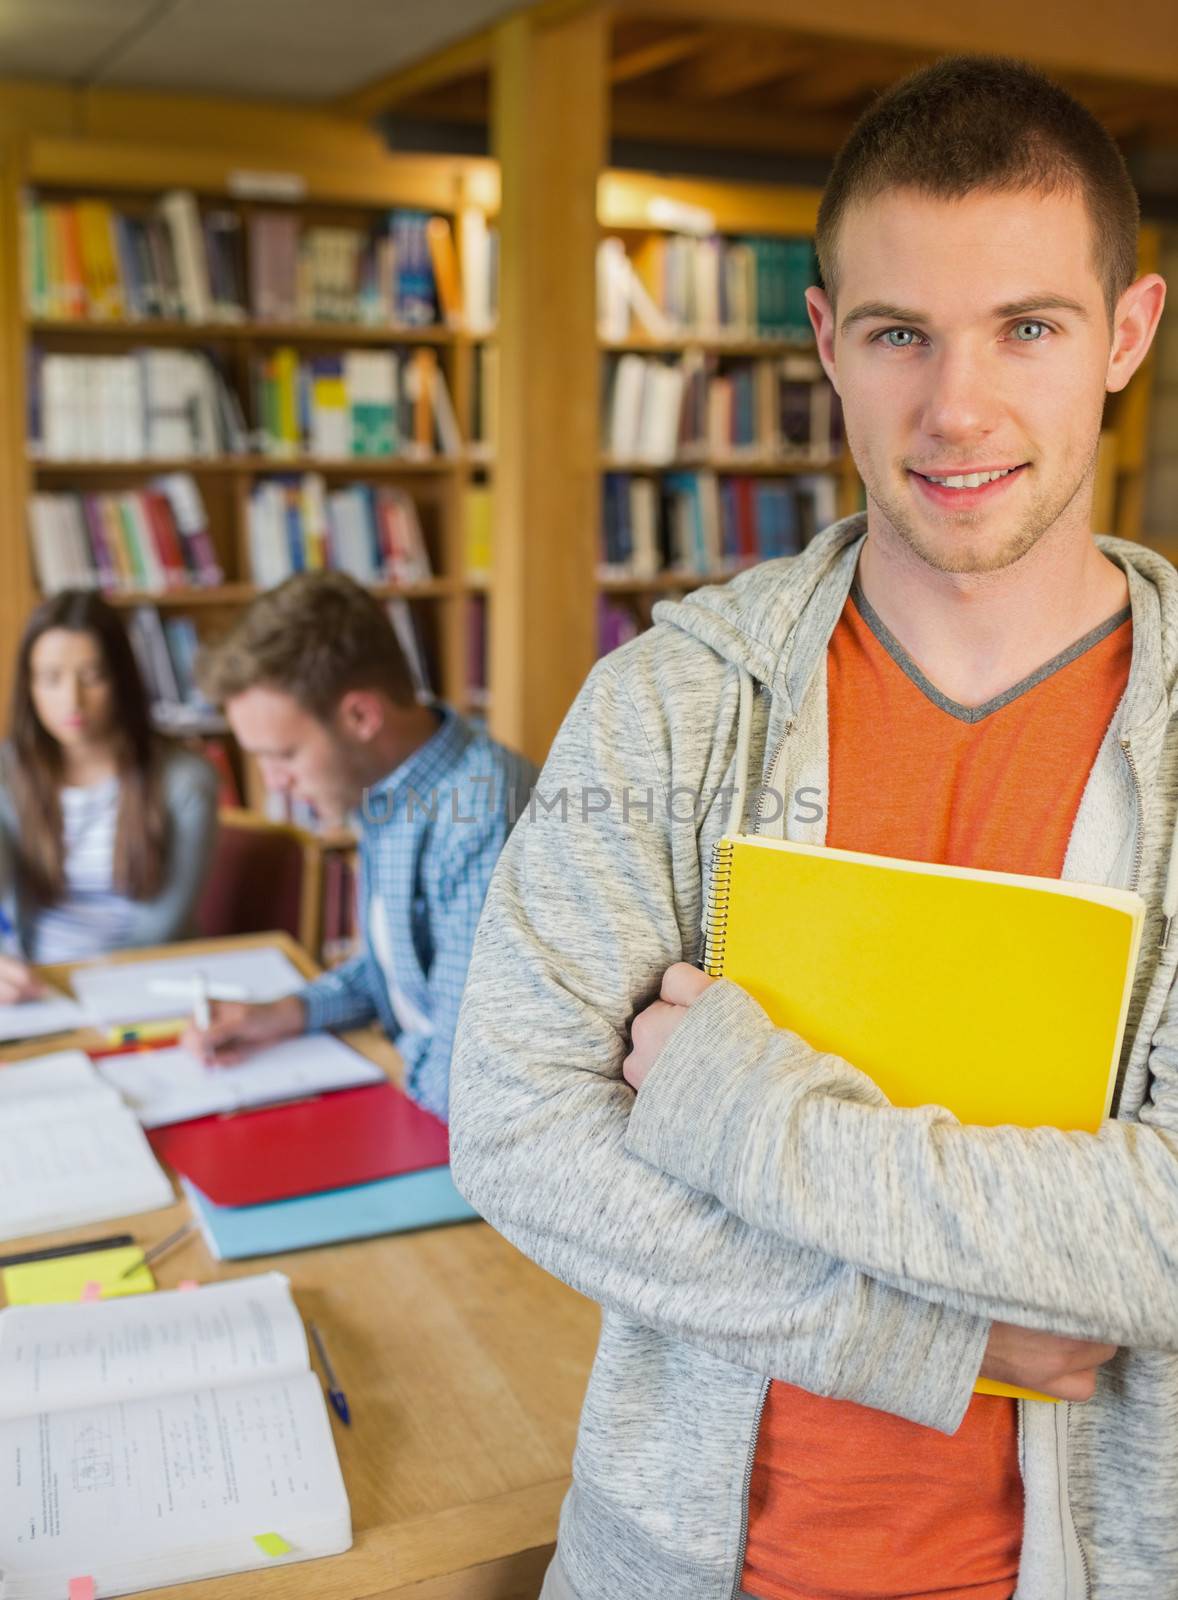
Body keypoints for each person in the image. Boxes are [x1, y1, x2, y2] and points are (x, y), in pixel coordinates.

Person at [449, 55, 1173, 1600]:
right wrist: (935, 1337)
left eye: (1026, 328)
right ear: (826, 344)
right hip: (667, 1570)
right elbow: (515, 1124)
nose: (954, 406)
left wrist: (737, 1109)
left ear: (1125, 336)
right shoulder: (664, 706)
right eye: (900, 333)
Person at [186, 571, 535, 1121]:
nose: (274, 782)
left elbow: (465, 1070)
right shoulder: (391, 788)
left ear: (360, 717)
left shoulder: (480, 810)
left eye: (284, 755)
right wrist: (287, 1013)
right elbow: (397, 974)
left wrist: (383, 1068)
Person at [0, 589, 218, 999]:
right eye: (50, 679)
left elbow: (162, 926)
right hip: (33, 983)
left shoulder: (187, 782)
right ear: (28, 686)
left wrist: (89, 987)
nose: (71, 700)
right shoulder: (6, 775)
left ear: (121, 678)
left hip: (145, 981)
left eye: (92, 676)